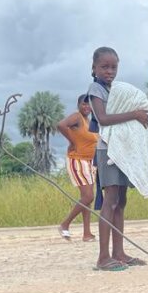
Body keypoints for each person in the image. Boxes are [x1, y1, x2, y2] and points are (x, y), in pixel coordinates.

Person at [86, 46, 148, 270]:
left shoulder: (117, 90)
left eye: (114, 67)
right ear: (94, 68)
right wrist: (134, 114)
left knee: (121, 202)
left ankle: (119, 252)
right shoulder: (96, 89)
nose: (109, 71)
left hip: (122, 150)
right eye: (104, 67)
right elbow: (103, 118)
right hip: (107, 151)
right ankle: (103, 257)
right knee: (110, 200)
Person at [57, 94, 98, 242]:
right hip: (77, 159)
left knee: (87, 199)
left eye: (89, 105)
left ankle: (87, 233)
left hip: (89, 161)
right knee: (88, 196)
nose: (86, 107)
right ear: (79, 105)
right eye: (84, 104)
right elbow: (61, 125)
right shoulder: (77, 117)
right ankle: (65, 224)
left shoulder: (89, 121)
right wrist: (72, 140)